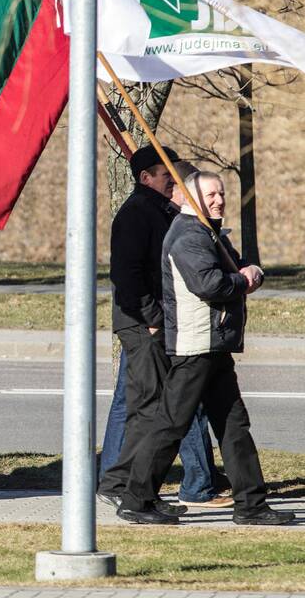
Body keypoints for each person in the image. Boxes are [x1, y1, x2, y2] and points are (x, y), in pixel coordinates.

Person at [116, 171, 293, 526]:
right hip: (195, 344)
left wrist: (248, 273)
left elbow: (235, 267)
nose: (218, 200)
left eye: (222, 194)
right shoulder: (188, 236)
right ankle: (136, 500)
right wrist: (243, 280)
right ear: (189, 197)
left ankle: (251, 505)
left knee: (233, 425)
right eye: (210, 194)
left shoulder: (207, 232)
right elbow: (209, 284)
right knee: (171, 424)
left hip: (213, 345)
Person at [98, 148, 230, 512]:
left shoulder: (159, 210)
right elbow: (128, 275)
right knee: (150, 406)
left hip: (157, 322)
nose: (173, 180)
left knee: (150, 403)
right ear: (145, 178)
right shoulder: (137, 215)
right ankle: (120, 484)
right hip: (144, 324)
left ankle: (137, 489)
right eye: (165, 175)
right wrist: (154, 319)